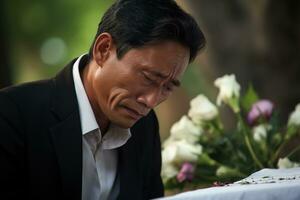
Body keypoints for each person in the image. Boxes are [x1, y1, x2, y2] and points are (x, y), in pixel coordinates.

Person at [0, 0, 205, 199]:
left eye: (168, 87)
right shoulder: (12, 114)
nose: (151, 101)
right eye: (148, 77)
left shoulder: (145, 127)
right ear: (103, 49)